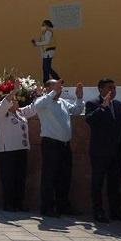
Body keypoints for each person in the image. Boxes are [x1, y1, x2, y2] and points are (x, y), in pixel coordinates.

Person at [31, 80, 85, 217]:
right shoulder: (43, 101)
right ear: (48, 88)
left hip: (65, 145)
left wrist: (79, 98)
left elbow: (77, 110)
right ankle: (47, 207)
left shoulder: (63, 102)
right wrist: (53, 91)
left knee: (65, 176)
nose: (59, 89)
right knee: (49, 176)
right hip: (51, 144)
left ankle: (63, 205)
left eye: (60, 87)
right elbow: (37, 106)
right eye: (55, 86)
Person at [84, 79, 121, 223]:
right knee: (98, 183)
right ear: (101, 89)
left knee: (115, 183)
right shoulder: (92, 103)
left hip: (117, 151)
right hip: (100, 152)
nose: (113, 90)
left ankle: (115, 212)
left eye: (114, 88)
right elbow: (90, 120)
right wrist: (103, 107)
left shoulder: (119, 105)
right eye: (110, 88)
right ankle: (98, 212)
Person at [0, 87, 39, 211]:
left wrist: (38, 95)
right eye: (13, 100)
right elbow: (3, 104)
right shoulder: (1, 114)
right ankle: (8, 204)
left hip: (21, 149)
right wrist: (13, 92)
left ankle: (19, 203)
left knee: (20, 177)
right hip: (8, 151)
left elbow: (33, 108)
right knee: (9, 178)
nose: (16, 102)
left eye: (16, 100)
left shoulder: (20, 113)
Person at [32, 19, 60, 84]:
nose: (42, 26)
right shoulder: (45, 33)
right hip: (46, 53)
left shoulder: (48, 32)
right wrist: (36, 43)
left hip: (48, 52)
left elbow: (47, 42)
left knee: (46, 68)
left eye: (43, 25)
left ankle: (56, 80)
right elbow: (43, 43)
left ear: (47, 25)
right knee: (46, 68)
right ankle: (48, 82)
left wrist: (37, 43)